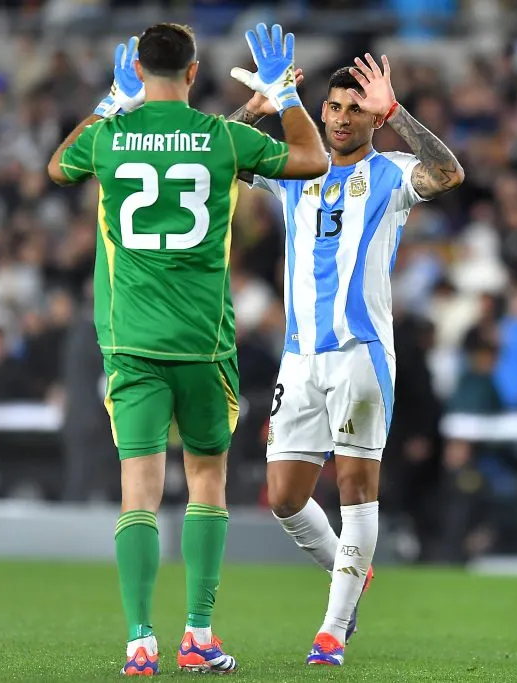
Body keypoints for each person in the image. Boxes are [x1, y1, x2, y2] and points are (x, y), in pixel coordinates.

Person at [46, 22, 327, 676]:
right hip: (204, 345)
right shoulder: (222, 139)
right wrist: (283, 97)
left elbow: (59, 166)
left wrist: (110, 103)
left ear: (138, 70)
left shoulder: (111, 139)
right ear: (195, 71)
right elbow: (311, 161)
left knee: (137, 495)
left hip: (132, 345)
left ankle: (140, 642)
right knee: (207, 485)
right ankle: (198, 634)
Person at [232, 54, 464, 665]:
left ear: (372, 119)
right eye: (333, 106)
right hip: (299, 358)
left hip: (361, 355)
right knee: (283, 497)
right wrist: (256, 111)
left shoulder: (391, 174)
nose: (339, 118)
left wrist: (398, 112)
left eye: (355, 109)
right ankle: (352, 571)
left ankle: (332, 633)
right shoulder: (295, 168)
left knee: (358, 489)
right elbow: (219, 159)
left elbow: (449, 172)